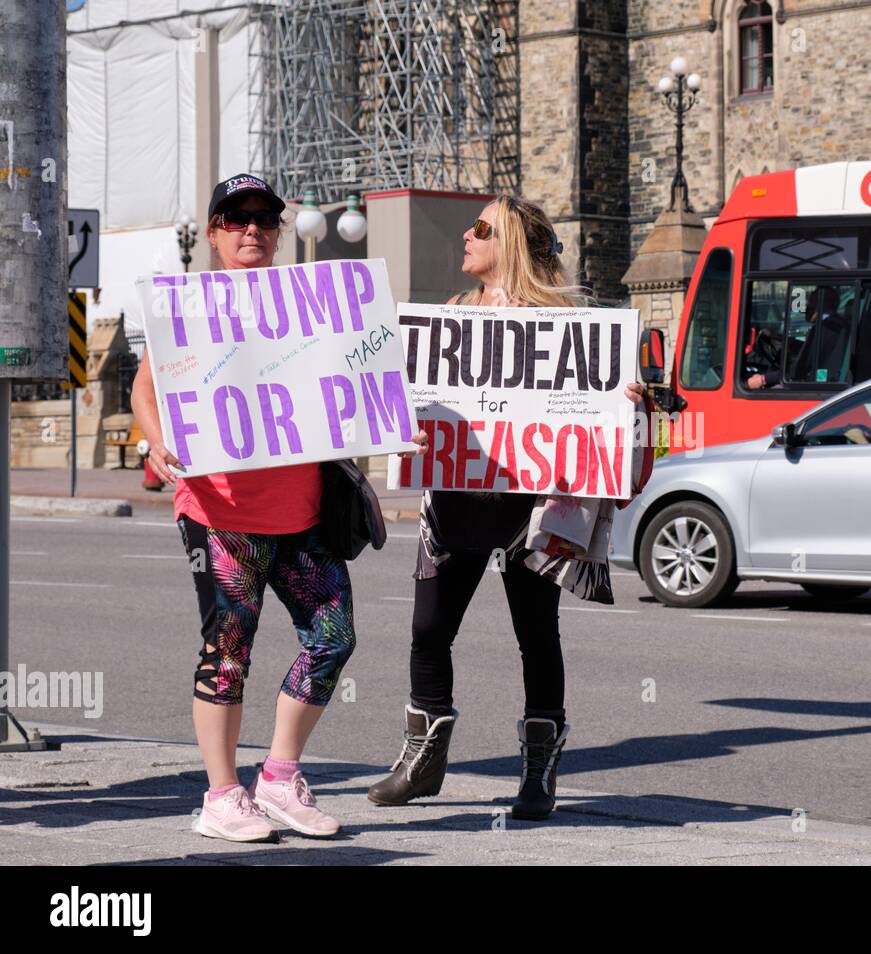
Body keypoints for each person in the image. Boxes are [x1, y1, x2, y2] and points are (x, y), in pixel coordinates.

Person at [130, 174, 427, 843]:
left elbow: (357, 377)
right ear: (212, 233)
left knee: (333, 636)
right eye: (235, 219)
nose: (252, 230)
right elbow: (145, 390)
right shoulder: (189, 306)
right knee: (227, 649)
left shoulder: (311, 302)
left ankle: (279, 777)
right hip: (220, 510)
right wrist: (155, 438)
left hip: (301, 513)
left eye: (265, 218)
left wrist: (393, 424)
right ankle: (221, 796)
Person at [367, 195, 651, 820]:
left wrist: (629, 402)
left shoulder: (570, 327)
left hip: (534, 504)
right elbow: (406, 403)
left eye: (481, 229)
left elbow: (622, 435)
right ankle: (423, 757)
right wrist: (404, 423)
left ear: (511, 246)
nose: (466, 237)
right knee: (427, 629)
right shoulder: (450, 318)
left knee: (536, 636)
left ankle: (539, 771)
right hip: (459, 497)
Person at [747, 286, 852, 389]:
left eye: (811, 302)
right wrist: (780, 338)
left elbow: (799, 369)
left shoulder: (826, 328)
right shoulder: (835, 324)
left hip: (813, 383)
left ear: (821, 304)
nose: (806, 308)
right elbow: (810, 350)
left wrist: (764, 379)